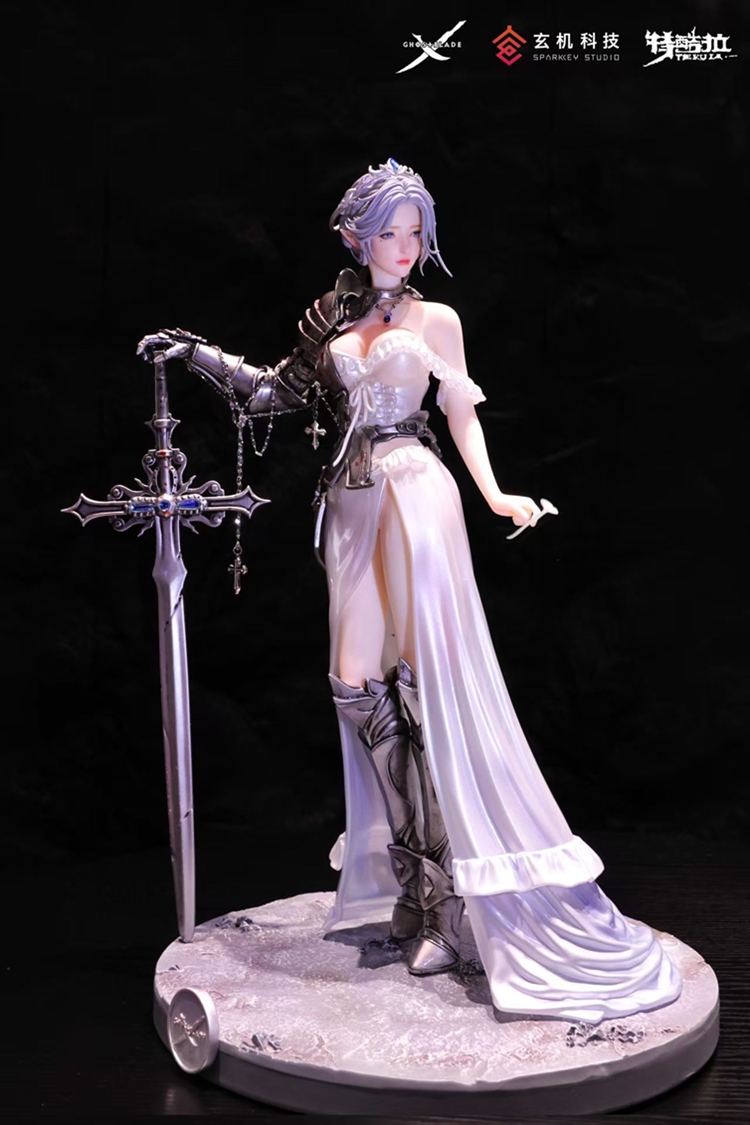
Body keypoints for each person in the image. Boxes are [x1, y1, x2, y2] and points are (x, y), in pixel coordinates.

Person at [137, 159, 681, 1022]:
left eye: (415, 230)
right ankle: (415, 879)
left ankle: (438, 902)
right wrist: (197, 352)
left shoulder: (437, 318)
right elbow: (275, 391)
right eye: (388, 231)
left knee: (427, 685)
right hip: (351, 509)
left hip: (417, 495)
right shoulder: (330, 314)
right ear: (353, 236)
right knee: (357, 682)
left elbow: (461, 410)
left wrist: (496, 493)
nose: (404, 245)